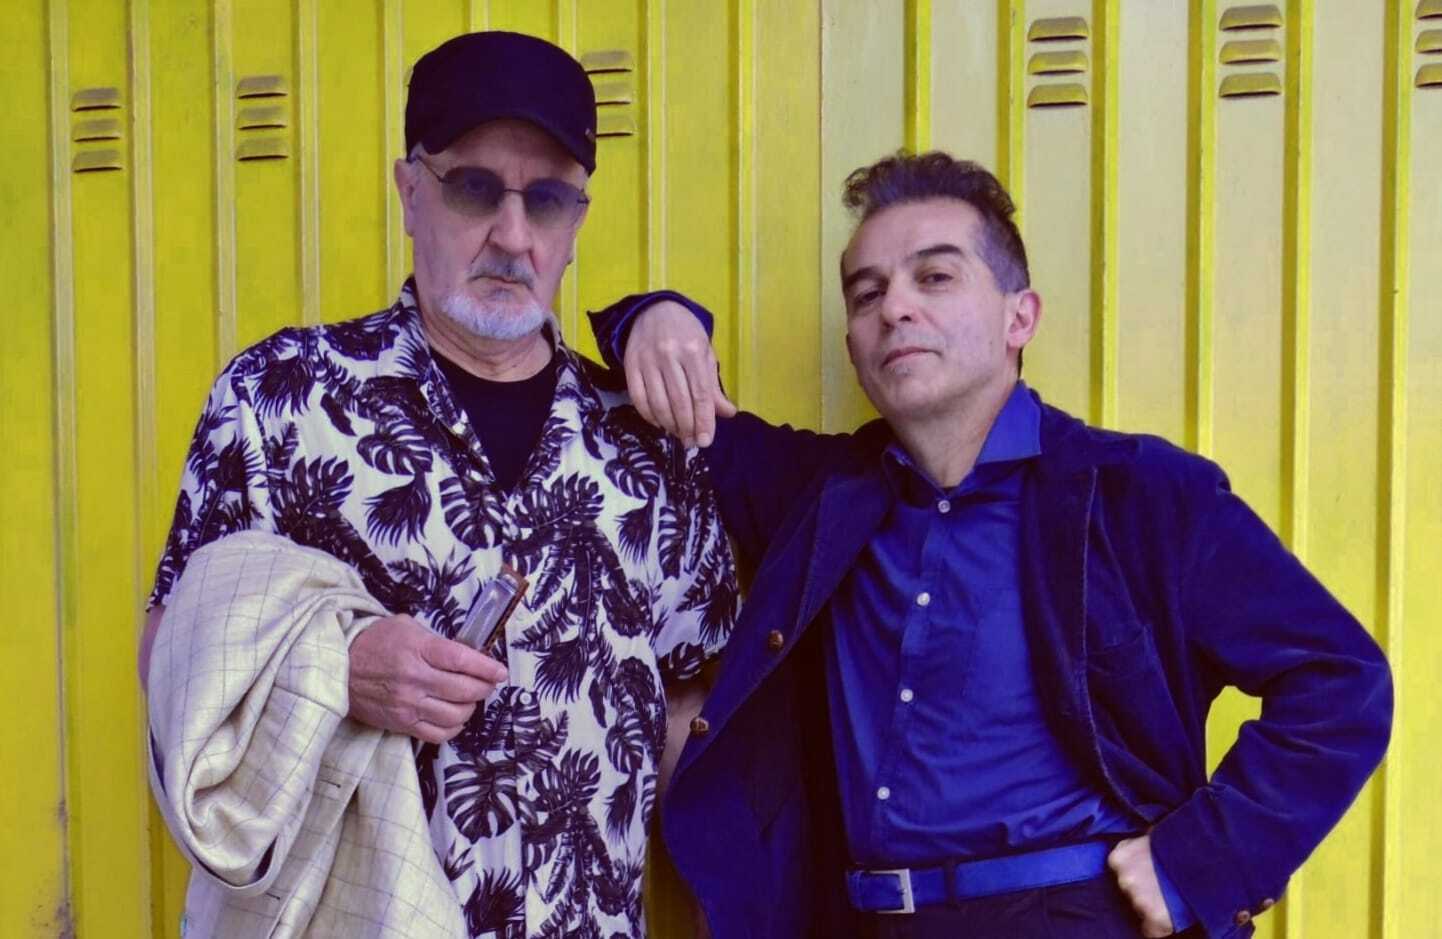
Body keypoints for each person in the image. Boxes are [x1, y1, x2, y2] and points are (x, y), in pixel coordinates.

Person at [588, 152, 1392, 938]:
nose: (894, 308)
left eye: (935, 277)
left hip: (1081, 916)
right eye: (867, 293)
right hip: (867, 920)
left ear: (1020, 317)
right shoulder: (822, 495)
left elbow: (1340, 678)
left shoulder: (1142, 493)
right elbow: (683, 426)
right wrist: (658, 318)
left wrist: (1199, 863)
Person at [138, 31, 738, 938]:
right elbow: (173, 655)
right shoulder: (280, 398)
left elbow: (696, 687)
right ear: (410, 191)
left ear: (576, 220)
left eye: (546, 199)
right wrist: (336, 669)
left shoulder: (646, 441)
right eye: (474, 188)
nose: (512, 235)